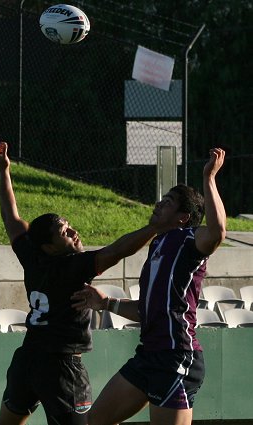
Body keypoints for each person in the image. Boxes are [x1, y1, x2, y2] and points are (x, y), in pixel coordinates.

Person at [0, 134, 157, 425]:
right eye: (65, 232)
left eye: (69, 226)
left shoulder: (33, 256)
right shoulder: (72, 266)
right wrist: (156, 226)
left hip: (27, 360)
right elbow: (117, 250)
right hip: (62, 367)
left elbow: (11, 219)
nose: (73, 232)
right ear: (50, 246)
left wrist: (4, 171)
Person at [71, 148, 226, 425]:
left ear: (183, 217)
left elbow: (217, 232)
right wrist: (106, 303)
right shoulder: (156, 244)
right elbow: (148, 311)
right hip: (148, 356)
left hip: (176, 357)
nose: (158, 204)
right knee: (94, 421)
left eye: (167, 202)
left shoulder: (189, 241)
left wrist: (210, 178)